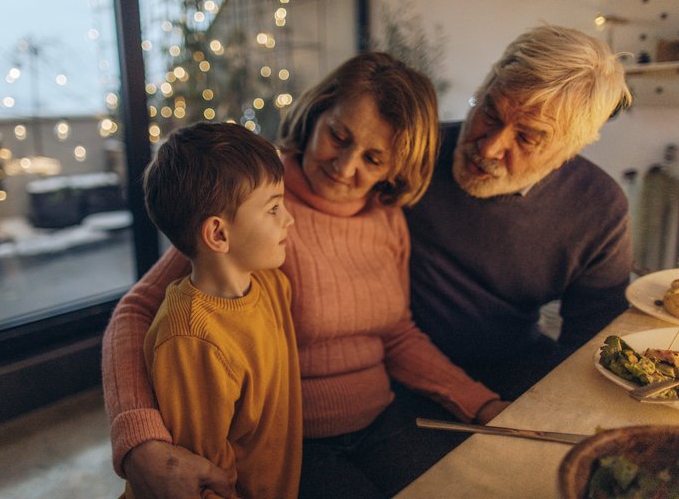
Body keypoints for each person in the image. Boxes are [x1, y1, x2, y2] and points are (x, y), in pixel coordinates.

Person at [102, 52, 506, 499]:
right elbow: (137, 310)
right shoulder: (252, 199)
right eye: (338, 136)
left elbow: (397, 334)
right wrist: (140, 441)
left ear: (396, 167)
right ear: (317, 113)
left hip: (383, 420)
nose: (345, 167)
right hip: (295, 445)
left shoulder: (387, 217)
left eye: (374, 158)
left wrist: (481, 403)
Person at [404, 24, 634, 401]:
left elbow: (592, 345)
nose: (489, 148)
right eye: (489, 113)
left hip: (514, 376)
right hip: (399, 373)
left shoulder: (598, 209)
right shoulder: (414, 150)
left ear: (567, 152)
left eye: (526, 137)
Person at [123, 121, 301, 499]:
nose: (289, 218)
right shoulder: (190, 339)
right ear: (218, 234)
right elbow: (204, 480)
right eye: (273, 208)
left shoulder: (273, 285)